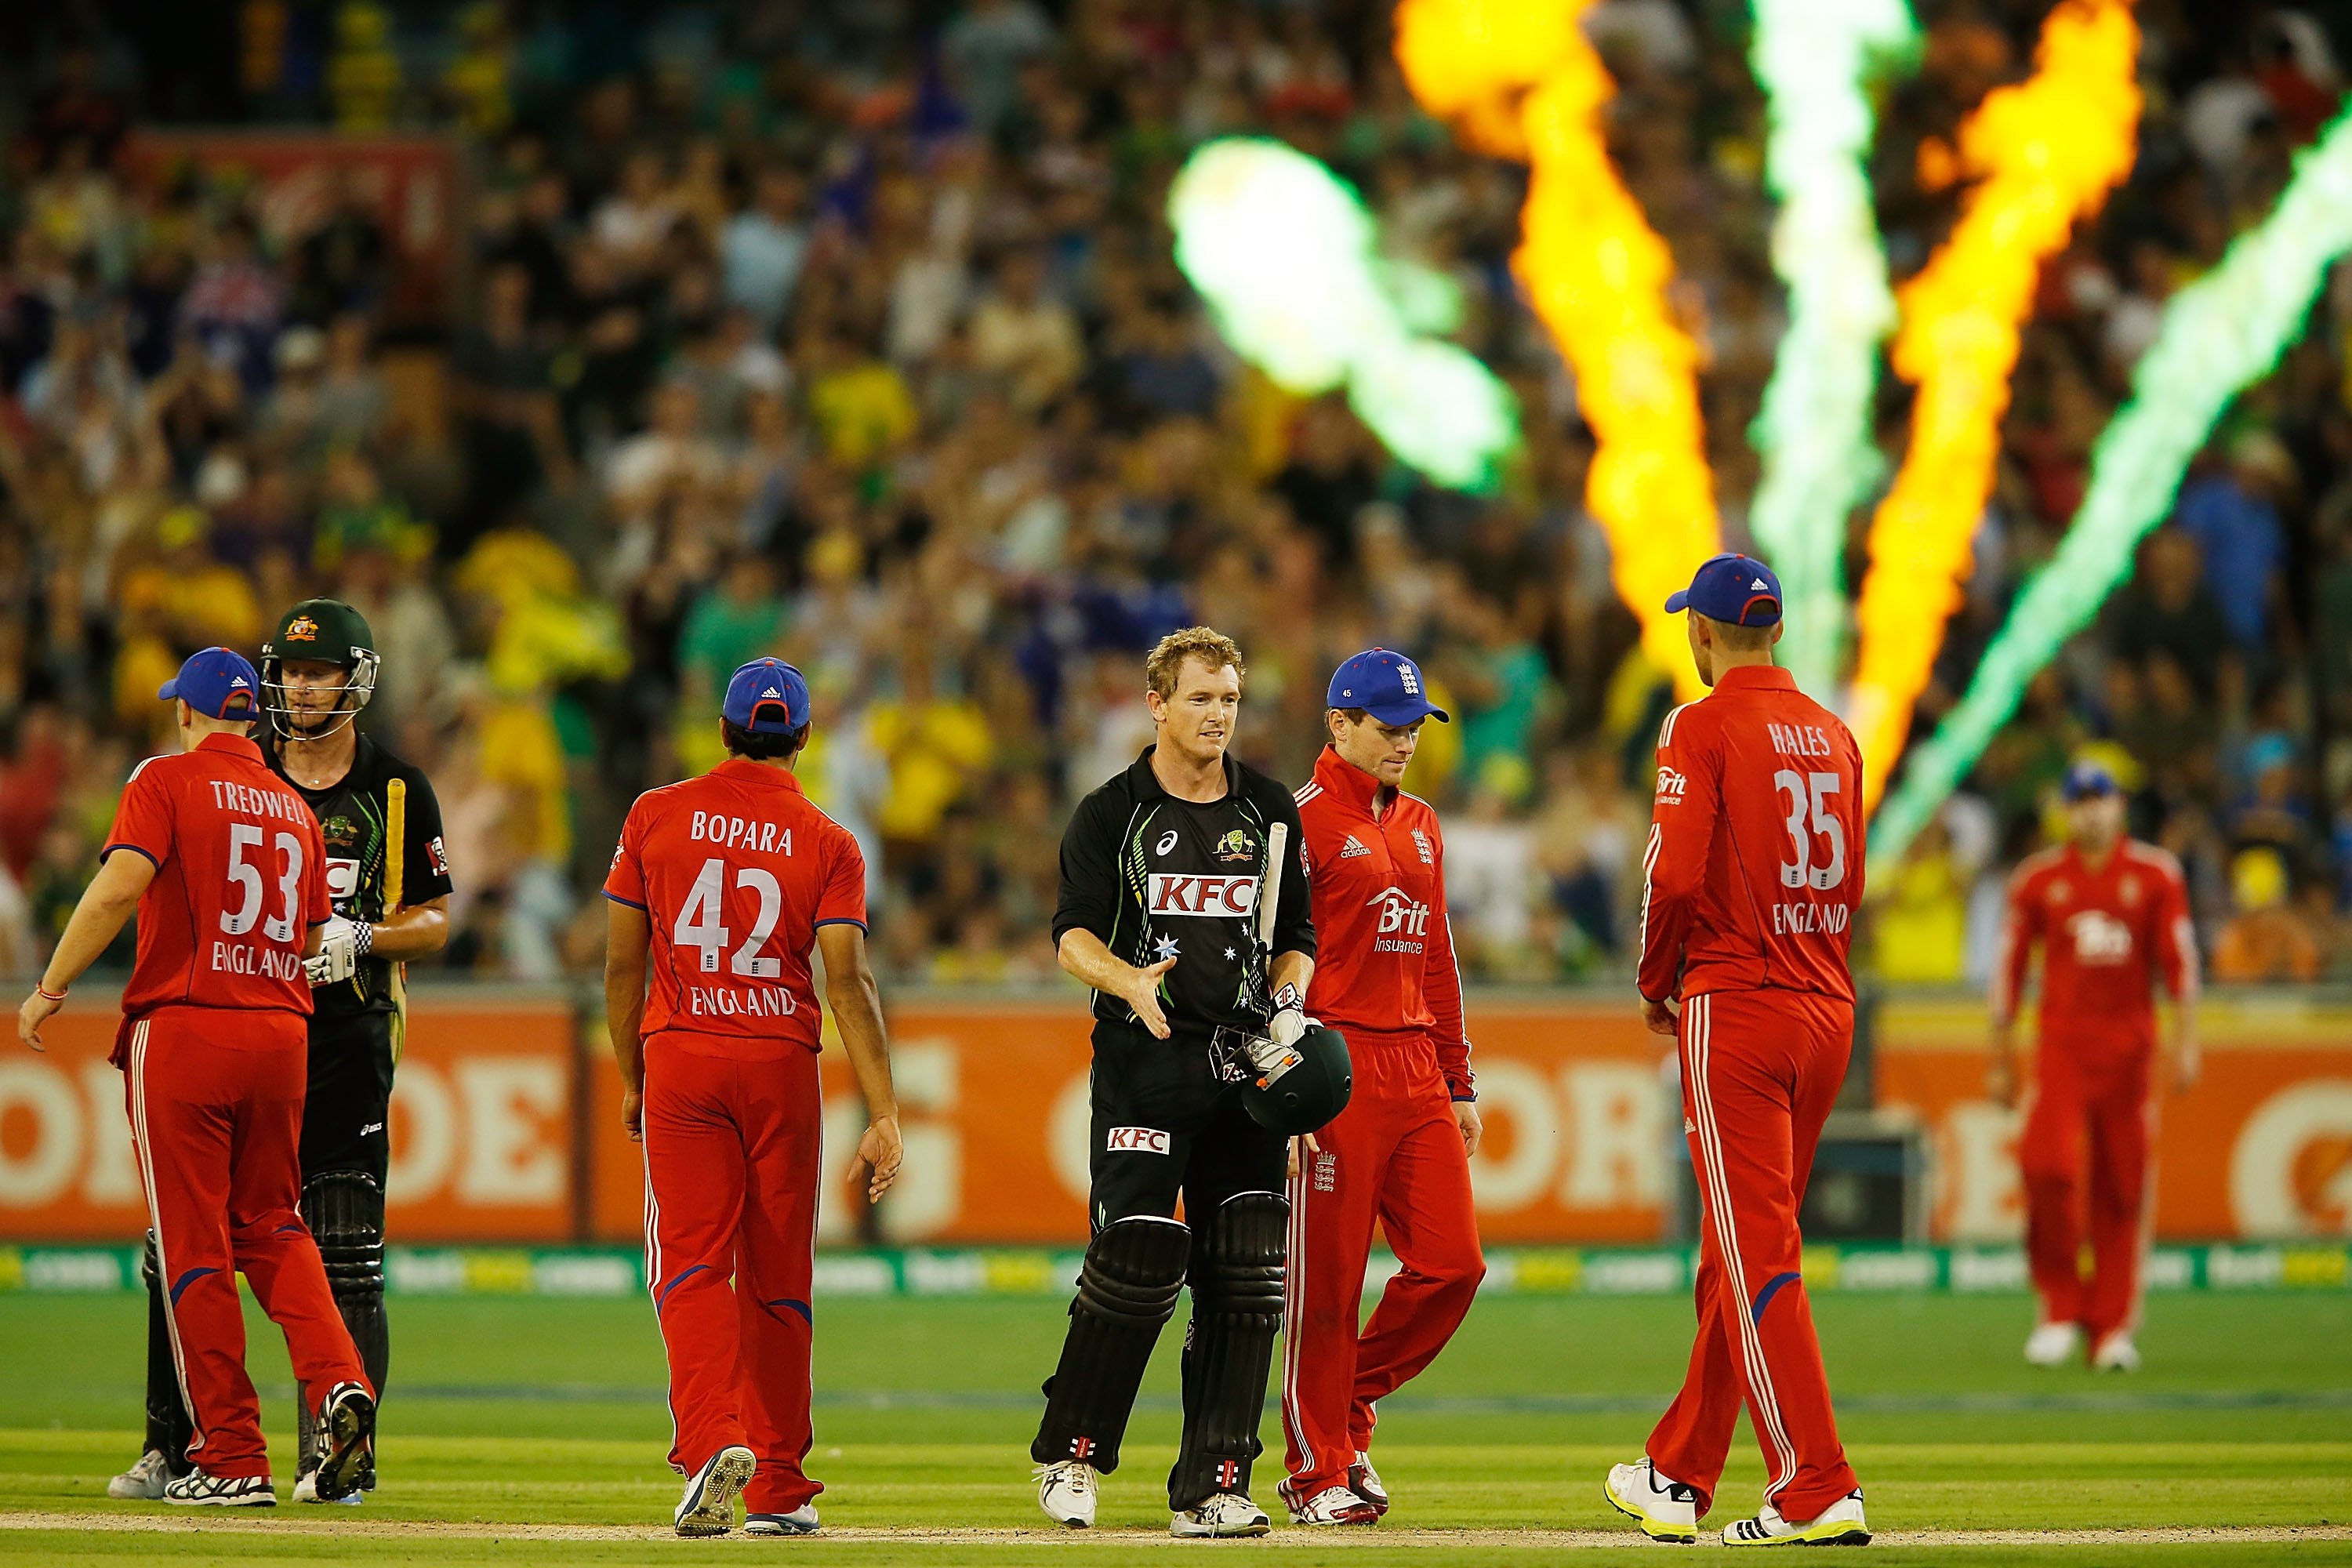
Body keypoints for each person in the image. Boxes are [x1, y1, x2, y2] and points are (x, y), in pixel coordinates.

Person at [109, 599, 452, 1504]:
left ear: (356, 678)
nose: (301, 687)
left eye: (319, 671)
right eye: (291, 671)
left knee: (345, 1253)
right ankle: (169, 1441)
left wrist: (364, 938)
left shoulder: (398, 786)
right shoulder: (245, 773)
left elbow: (438, 917)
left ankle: (337, 1456)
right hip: (254, 1025)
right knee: (176, 1245)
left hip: (343, 1040)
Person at [17, 648, 376, 1507]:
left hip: (187, 1025)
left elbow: (115, 890)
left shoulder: (165, 780)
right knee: (274, 1224)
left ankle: (232, 1451)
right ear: (250, 718)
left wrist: (49, 986)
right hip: (281, 1029)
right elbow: (313, 938)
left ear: (190, 713)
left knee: (193, 1242)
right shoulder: (293, 807)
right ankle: (337, 1381)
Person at [604, 657, 905, 1538]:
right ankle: (776, 1482)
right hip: (781, 1060)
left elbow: (623, 961)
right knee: (780, 1274)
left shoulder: (654, 813)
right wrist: (884, 1112)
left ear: (724, 728)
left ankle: (711, 1443)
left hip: (686, 1055)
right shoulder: (830, 841)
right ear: (804, 739)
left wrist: (632, 1073)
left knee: (690, 1264)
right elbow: (849, 982)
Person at [1605, 555, 1871, 1548]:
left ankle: (1816, 1480)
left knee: (1757, 1250)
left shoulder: (1700, 723)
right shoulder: (1836, 733)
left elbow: (1672, 876)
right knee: (1740, 1244)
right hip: (1827, 1001)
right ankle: (1678, 1471)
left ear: (1703, 634)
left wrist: (1653, 977)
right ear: (1779, 632)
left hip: (1740, 998)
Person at [1031, 626, 1316, 1539]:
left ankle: (1216, 1481)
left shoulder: (1270, 809)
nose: (1218, 714)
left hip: (1241, 1068)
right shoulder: (1111, 811)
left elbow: (1296, 938)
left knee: (1246, 1267)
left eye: (1230, 698)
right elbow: (1071, 933)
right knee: (1140, 1251)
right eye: (1200, 697)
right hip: (1144, 1064)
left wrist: (1288, 1008)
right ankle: (1071, 1455)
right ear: (1157, 704)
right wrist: (1125, 980)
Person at [1278, 648, 1483, 1526]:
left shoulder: (1425, 821)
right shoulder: (1298, 821)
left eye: (1413, 728)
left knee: (1453, 1264)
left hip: (1414, 1067)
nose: (1406, 742)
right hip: (1333, 1061)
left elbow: (1435, 953)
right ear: (1339, 724)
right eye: (1389, 728)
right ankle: (1314, 1466)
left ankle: (1345, 1402)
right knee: (1327, 1281)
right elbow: (1267, 961)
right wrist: (1280, 1083)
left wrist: (1458, 1076)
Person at [1991, 758, 2198, 1372]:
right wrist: (2000, 1057)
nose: (2090, 810)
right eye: (2079, 799)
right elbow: (2008, 973)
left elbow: (2179, 964)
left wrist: (2187, 1042)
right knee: (2046, 1166)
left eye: (2100, 798)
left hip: (2129, 1049)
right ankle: (2059, 1308)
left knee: (2122, 1183)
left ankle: (2112, 1328)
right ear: (2066, 809)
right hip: (2060, 1044)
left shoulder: (2156, 874)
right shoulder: (2038, 880)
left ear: (2121, 804)